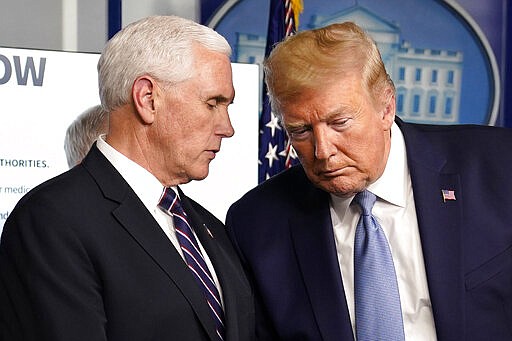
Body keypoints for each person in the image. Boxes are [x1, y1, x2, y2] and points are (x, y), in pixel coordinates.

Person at [225, 21, 512, 340]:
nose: (323, 151)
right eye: (301, 131)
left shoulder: (499, 167)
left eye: (340, 122)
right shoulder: (257, 224)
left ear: (386, 107)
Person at [0, 15, 255, 341]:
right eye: (213, 103)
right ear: (148, 98)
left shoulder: (209, 227)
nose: (228, 128)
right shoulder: (51, 220)